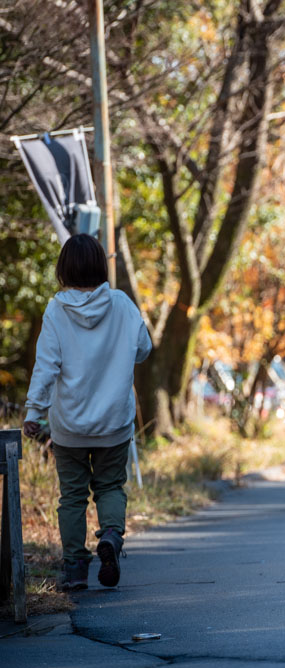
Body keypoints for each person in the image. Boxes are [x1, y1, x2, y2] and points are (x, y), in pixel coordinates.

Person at [22, 234, 152, 591]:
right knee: (110, 486)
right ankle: (110, 535)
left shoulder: (56, 310)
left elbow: (46, 366)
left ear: (63, 270)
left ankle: (76, 568)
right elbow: (144, 348)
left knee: (72, 497)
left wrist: (34, 411)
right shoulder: (121, 304)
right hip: (114, 422)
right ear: (100, 266)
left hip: (69, 425)